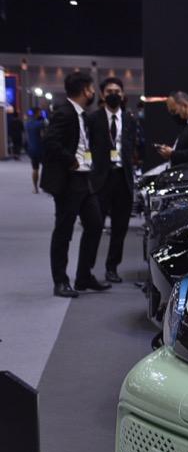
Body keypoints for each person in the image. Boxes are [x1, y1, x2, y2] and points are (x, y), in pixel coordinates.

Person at [41, 71, 111, 298]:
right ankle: (60, 282)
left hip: (84, 178)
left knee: (95, 224)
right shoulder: (64, 112)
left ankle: (83, 276)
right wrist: (70, 159)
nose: (93, 92)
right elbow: (50, 141)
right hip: (68, 180)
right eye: (91, 88)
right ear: (84, 90)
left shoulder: (81, 115)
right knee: (64, 231)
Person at [90, 77, 140, 283]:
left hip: (122, 178)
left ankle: (112, 268)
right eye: (109, 91)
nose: (113, 94)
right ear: (102, 95)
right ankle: (87, 269)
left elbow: (132, 146)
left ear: (123, 94)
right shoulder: (93, 119)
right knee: (95, 225)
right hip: (101, 178)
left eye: (117, 91)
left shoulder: (130, 120)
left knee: (120, 228)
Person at [25, 107, 47, 194]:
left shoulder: (27, 124)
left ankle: (35, 188)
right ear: (37, 113)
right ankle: (45, 187)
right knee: (45, 168)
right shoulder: (40, 124)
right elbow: (44, 135)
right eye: (40, 112)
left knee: (35, 168)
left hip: (31, 148)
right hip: (41, 148)